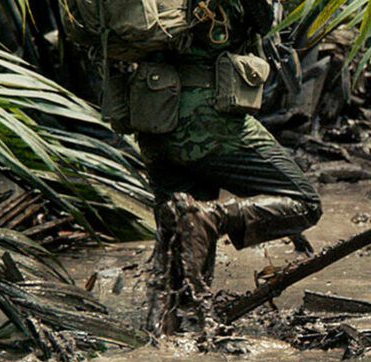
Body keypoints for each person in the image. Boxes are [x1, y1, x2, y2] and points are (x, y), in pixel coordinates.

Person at [104, 0, 323, 336]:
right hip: (208, 120)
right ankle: (214, 218)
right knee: (305, 203)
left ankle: (168, 337)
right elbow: (264, 20)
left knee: (178, 234)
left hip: (153, 118)